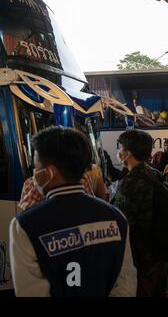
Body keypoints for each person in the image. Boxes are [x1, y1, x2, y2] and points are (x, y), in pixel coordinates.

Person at [9, 126, 136, 296]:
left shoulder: (24, 225)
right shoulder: (116, 217)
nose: (34, 175)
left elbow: (31, 292)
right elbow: (126, 282)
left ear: (50, 173)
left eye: (36, 168)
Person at [112, 129, 166, 297]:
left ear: (127, 154)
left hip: (140, 259)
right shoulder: (155, 174)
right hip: (159, 251)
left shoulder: (129, 183)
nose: (118, 153)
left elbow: (122, 223)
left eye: (120, 148)